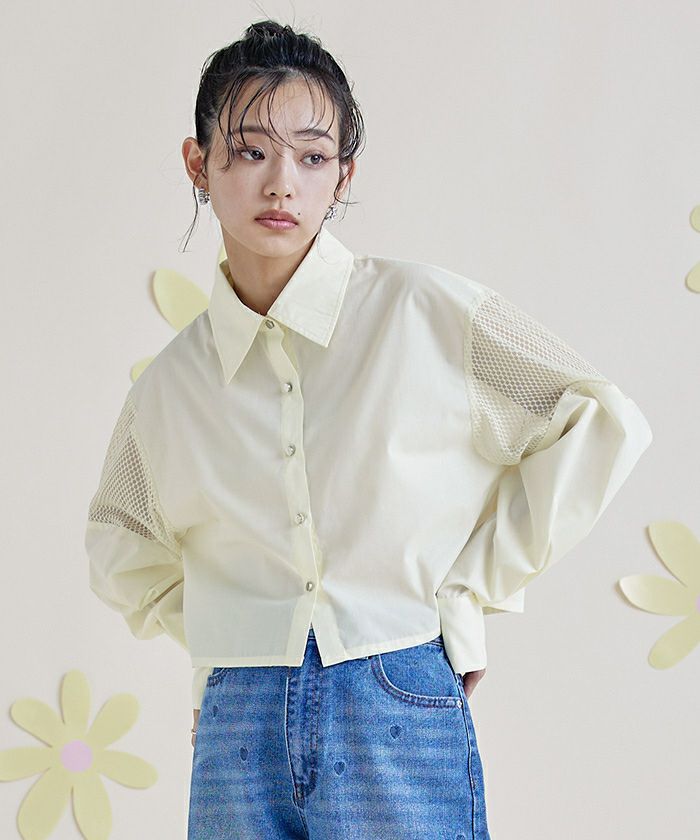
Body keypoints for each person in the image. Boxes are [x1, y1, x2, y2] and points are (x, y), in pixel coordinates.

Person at [84, 19, 653, 840]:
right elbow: (119, 541)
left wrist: (466, 591)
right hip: (239, 720)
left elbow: (598, 419)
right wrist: (224, 630)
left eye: (313, 157)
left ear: (343, 175)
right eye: (250, 151)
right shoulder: (172, 386)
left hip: (396, 689)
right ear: (198, 164)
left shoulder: (423, 312)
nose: (282, 184)